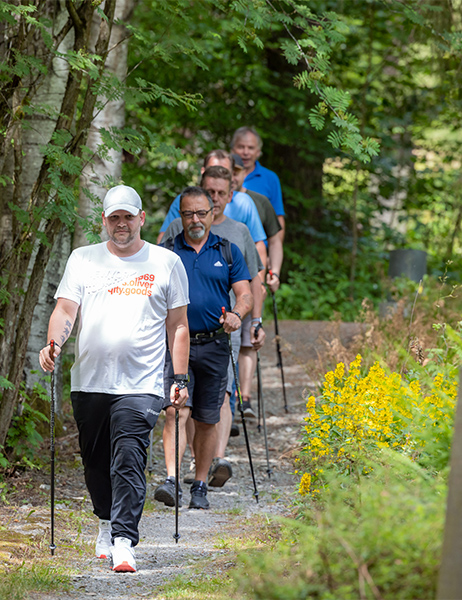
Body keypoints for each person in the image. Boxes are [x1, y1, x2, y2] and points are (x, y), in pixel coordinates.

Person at [38, 185, 190, 573]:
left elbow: (178, 327)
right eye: (113, 218)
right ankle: (105, 522)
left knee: (128, 457)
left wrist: (180, 377)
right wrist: (54, 342)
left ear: (142, 219)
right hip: (89, 381)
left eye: (128, 217)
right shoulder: (83, 259)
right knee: (94, 461)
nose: (121, 224)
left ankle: (124, 540)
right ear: (103, 221)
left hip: (141, 384)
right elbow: (65, 309)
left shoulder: (167, 262)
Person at [161, 166, 265, 484]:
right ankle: (170, 479)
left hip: (214, 344)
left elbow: (246, 293)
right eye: (189, 214)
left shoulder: (227, 250)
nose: (195, 220)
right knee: (175, 411)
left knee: (207, 418)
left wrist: (239, 314)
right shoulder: (166, 252)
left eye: (201, 213)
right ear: (180, 215)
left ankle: (201, 483)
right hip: (176, 344)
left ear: (211, 213)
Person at [157, 151, 268, 271]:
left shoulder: (240, 227)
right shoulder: (179, 223)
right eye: (210, 192)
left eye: (221, 193)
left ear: (229, 195)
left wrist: (261, 283)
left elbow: (254, 272)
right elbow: (160, 263)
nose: (215, 198)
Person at [231, 126, 285, 289]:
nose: (246, 152)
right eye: (241, 147)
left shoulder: (270, 178)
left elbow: (278, 221)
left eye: (251, 148)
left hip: (257, 256)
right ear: (233, 149)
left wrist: (271, 260)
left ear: (258, 152)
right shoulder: (222, 176)